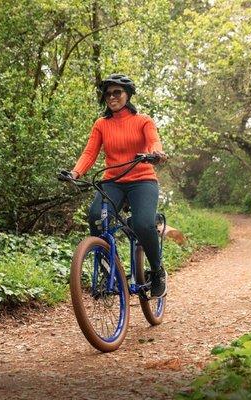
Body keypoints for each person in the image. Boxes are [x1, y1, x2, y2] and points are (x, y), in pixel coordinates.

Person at [69, 73, 168, 298]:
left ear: (128, 95)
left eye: (117, 92)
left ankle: (157, 270)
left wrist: (155, 154)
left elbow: (154, 141)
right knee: (96, 215)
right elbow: (89, 153)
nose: (111, 97)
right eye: (108, 93)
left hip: (142, 180)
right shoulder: (102, 124)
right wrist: (75, 172)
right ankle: (108, 271)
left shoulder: (143, 120)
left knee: (143, 224)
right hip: (113, 181)